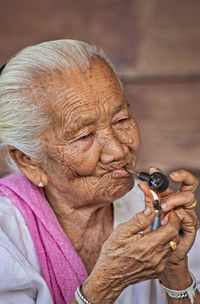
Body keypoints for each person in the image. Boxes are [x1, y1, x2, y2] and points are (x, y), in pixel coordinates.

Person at [0, 39, 199, 304]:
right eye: (84, 136)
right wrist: (105, 285)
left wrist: (175, 270)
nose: (117, 151)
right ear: (29, 162)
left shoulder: (153, 212)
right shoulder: (6, 234)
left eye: (122, 120)